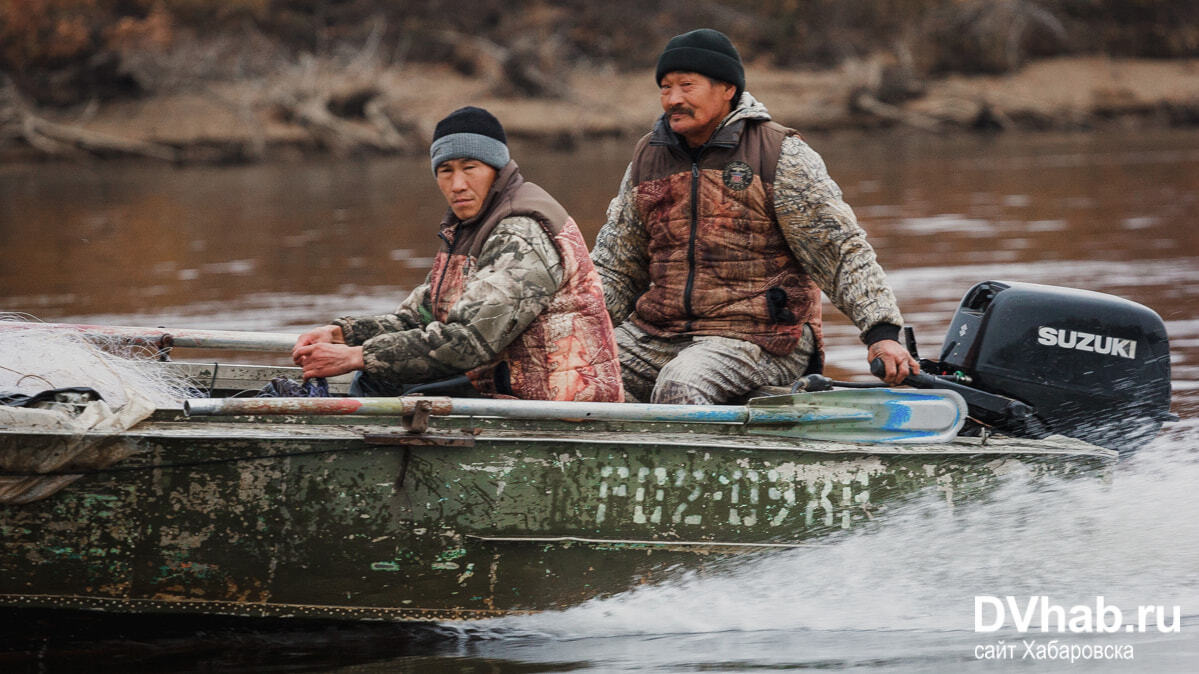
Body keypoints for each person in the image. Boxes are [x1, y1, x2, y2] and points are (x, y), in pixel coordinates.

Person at [591, 28, 917, 405]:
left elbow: (840, 251)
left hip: (763, 338)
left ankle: (694, 463)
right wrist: (568, 337)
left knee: (681, 385)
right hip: (659, 333)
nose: (673, 99)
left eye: (686, 85)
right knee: (575, 375)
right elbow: (615, 267)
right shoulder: (647, 159)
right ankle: (624, 459)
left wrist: (882, 333)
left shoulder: (780, 155)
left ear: (727, 89)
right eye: (665, 87)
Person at [293, 106, 623, 402]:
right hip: (503, 383)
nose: (458, 184)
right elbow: (419, 317)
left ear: (496, 169)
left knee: (379, 377)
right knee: (381, 376)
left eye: (470, 167)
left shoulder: (520, 230)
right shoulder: (468, 225)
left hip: (560, 403)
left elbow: (468, 341)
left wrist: (356, 356)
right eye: (446, 170)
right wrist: (341, 334)